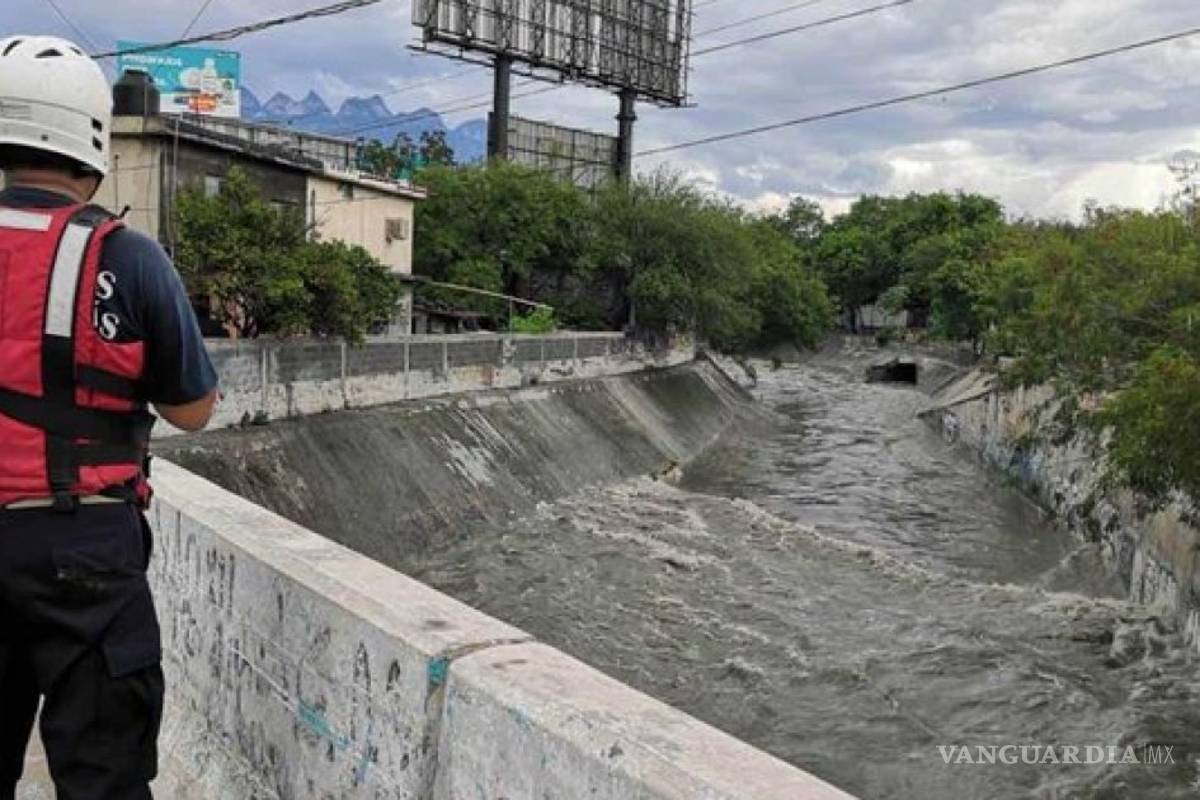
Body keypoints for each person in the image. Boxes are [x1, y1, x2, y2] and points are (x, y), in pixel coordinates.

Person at [0, 36, 218, 799]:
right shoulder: (128, 257)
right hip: (85, 548)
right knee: (104, 779)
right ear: (93, 144)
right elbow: (192, 409)